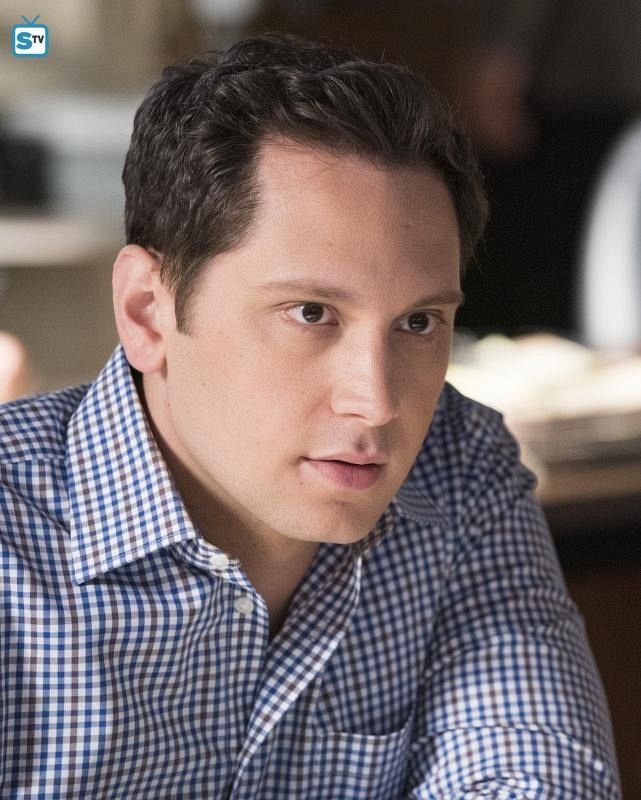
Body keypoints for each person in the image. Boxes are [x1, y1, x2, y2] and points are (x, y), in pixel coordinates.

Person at [0, 33, 620, 798]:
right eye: (310, 313)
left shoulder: (458, 469)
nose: (376, 400)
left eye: (418, 322)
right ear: (146, 312)